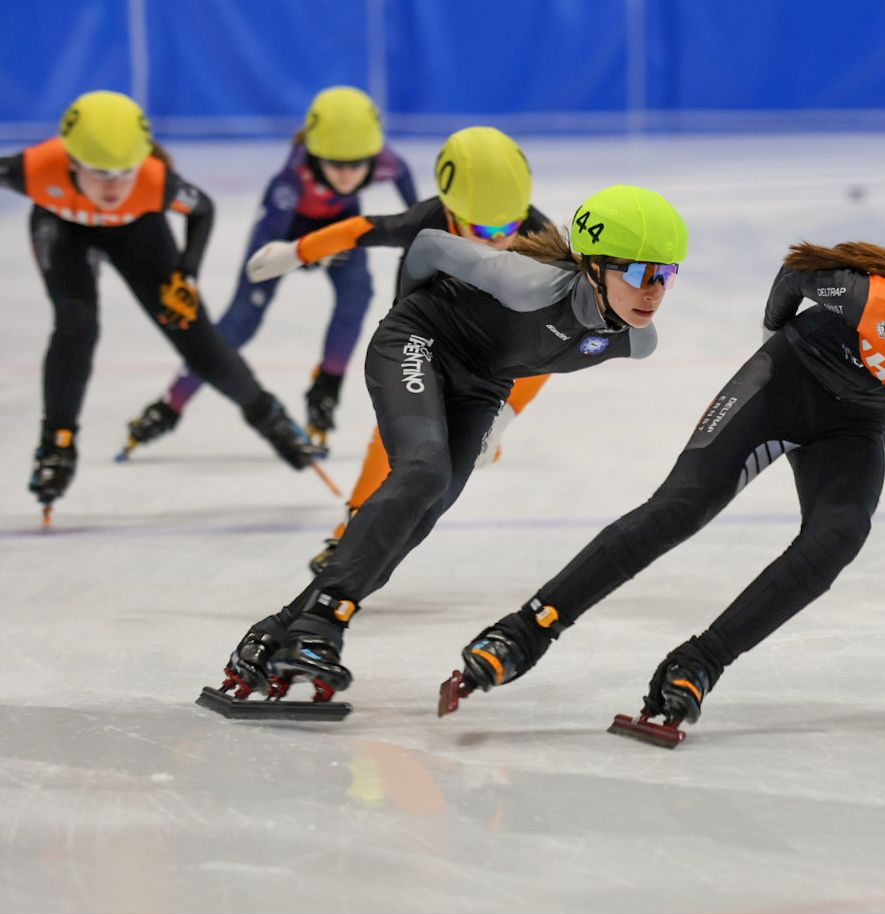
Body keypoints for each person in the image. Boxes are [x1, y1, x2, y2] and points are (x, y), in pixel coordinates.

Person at [448, 204, 885, 744]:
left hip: (856, 424)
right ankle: (526, 630)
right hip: (784, 383)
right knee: (682, 507)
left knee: (839, 536)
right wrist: (773, 344)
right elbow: (796, 276)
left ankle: (699, 663)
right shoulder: (876, 297)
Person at [213, 184, 689, 706]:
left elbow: (546, 351)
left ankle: (277, 632)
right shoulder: (526, 281)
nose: (653, 292)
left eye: (666, 275)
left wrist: (505, 416)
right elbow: (428, 246)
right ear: (592, 266)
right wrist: (404, 317)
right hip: (419, 341)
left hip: (482, 386)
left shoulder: (635, 340)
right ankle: (322, 623)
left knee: (421, 516)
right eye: (638, 273)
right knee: (423, 471)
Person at [240, 126, 556, 574]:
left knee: (448, 454)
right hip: (425, 323)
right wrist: (297, 251)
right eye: (483, 228)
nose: (498, 239)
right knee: (399, 428)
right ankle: (350, 530)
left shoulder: (540, 241)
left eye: (509, 226)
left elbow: (551, 345)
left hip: (493, 342)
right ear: (451, 210)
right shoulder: (428, 221)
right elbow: (363, 229)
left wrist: (503, 417)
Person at [0, 90, 320, 521]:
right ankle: (57, 443)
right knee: (77, 324)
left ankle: (270, 417)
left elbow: (202, 210)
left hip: (138, 233)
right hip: (63, 231)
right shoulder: (33, 168)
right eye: (100, 173)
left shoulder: (155, 181)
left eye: (125, 172)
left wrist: (187, 272)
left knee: (195, 337)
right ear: (71, 161)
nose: (113, 186)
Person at [123, 86, 416, 457]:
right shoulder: (290, 182)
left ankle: (326, 387)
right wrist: (305, 254)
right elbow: (267, 250)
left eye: (356, 165)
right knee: (240, 322)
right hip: (283, 233)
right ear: (314, 155)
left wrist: (418, 232)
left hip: (340, 225)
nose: (346, 175)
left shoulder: (387, 162)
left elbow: (413, 201)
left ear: (372, 156)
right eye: (335, 164)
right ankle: (170, 405)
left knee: (357, 295)